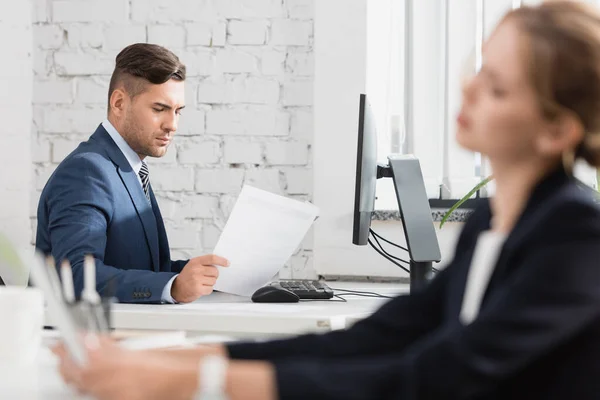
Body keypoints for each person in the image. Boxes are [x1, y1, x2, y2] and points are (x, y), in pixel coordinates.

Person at [54, 2, 600, 399]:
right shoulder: (490, 220)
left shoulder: (577, 237)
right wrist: (192, 359)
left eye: (499, 89)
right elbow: (384, 336)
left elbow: (432, 376)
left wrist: (192, 377)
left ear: (556, 131)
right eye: (479, 71)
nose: (469, 92)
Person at [36, 43, 229, 304]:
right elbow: (76, 275)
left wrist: (212, 274)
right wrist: (171, 287)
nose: (172, 124)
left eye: (177, 111)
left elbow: (140, 266)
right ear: (118, 103)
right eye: (159, 109)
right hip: (84, 340)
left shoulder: (130, 168)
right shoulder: (87, 172)